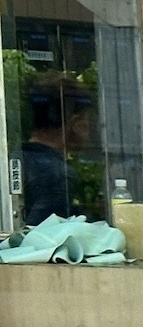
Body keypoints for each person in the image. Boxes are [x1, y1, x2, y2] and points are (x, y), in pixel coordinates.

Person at [19, 74, 95, 226]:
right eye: (87, 124)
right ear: (75, 123)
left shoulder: (13, 160)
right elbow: (44, 242)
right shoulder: (58, 175)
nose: (89, 135)